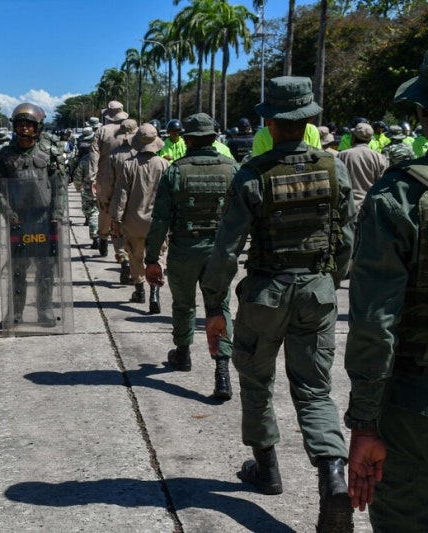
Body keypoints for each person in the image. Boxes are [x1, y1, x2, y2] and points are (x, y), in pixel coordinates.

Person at [202, 76, 356, 532]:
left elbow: (225, 250)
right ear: (311, 120)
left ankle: (266, 469)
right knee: (314, 389)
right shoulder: (334, 169)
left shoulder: (253, 173)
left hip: (265, 295)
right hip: (317, 293)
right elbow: (346, 238)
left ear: (269, 121)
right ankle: (332, 476)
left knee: (257, 380)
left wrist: (214, 306)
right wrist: (329, 281)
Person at [344, 50, 428, 530]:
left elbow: (377, 324)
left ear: (421, 113)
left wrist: (366, 423)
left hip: (414, 408)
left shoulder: (401, 195)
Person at [145, 113, 238, 399]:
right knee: (218, 306)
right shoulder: (233, 168)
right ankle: (222, 372)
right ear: (214, 138)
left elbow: (160, 219)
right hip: (219, 252)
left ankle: (183, 353)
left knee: (184, 305)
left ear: (186, 139)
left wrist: (151, 258)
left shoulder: (175, 171)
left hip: (184, 250)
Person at [0, 103, 68, 328]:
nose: (24, 129)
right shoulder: (4, 155)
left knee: (45, 268)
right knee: (17, 269)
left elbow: (60, 186)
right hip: (18, 221)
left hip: (44, 219)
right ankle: (15, 312)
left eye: (29, 125)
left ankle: (44, 309)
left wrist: (57, 213)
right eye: (20, 124)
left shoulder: (50, 152)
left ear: (38, 128)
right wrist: (8, 213)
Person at [111, 123, 168, 311]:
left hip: (133, 222)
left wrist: (116, 219)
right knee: (157, 256)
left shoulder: (128, 165)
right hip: (158, 222)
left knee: (136, 256)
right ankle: (154, 293)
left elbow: (121, 196)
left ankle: (139, 290)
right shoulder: (164, 165)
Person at [90, 101, 130, 261]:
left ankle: (104, 238)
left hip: (105, 177)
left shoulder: (101, 131)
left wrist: (92, 178)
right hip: (127, 174)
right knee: (125, 210)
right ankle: (124, 251)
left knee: (104, 209)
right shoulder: (130, 130)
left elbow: (94, 156)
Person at [101, 118, 139, 283]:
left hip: (118, 201)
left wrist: (105, 200)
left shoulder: (113, 155)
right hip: (138, 200)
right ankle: (136, 268)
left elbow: (108, 182)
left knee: (117, 234)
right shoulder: (142, 154)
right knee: (137, 236)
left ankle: (123, 259)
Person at [336, 122, 390, 211]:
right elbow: (383, 185)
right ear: (369, 140)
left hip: (348, 207)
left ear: (353, 137)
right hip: (370, 208)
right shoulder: (380, 157)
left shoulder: (342, 155)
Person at [71, 127, 99, 249]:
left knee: (92, 213)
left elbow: (77, 175)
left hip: (89, 190)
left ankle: (96, 237)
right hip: (104, 188)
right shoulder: (103, 158)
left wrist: (78, 186)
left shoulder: (84, 159)